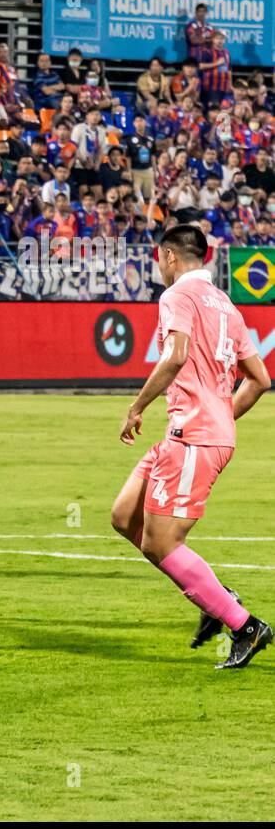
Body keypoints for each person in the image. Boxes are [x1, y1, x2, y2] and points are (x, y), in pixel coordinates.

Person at [111, 224, 271, 670]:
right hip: (191, 433)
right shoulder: (226, 305)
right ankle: (216, 598)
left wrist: (137, 406)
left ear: (169, 256)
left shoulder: (176, 295)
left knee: (162, 542)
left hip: (194, 436)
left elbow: (176, 354)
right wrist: (221, 415)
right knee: (125, 517)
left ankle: (245, 625)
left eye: (158, 259)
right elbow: (260, 379)